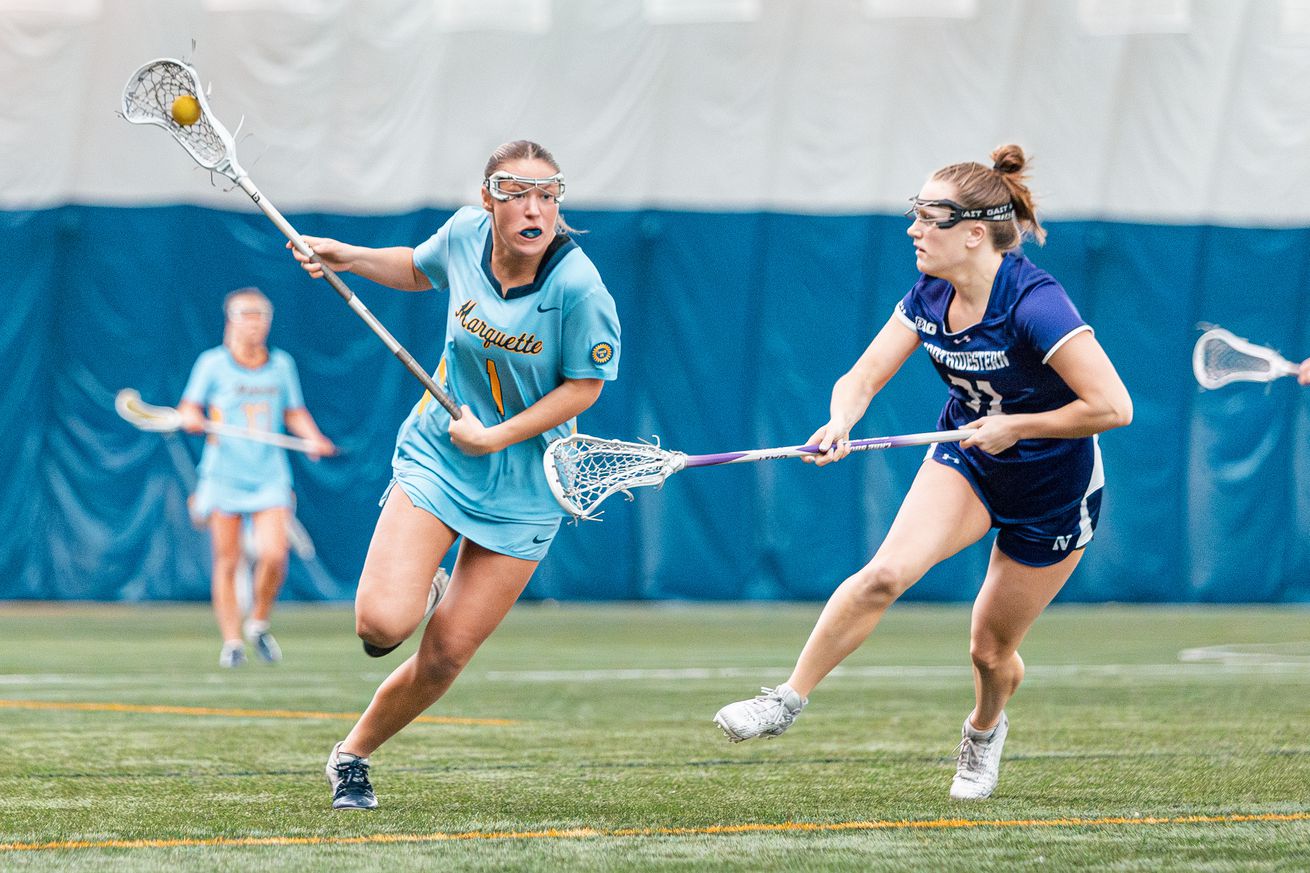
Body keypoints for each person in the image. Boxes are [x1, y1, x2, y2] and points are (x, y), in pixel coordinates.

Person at [713, 145, 1132, 801]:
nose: (913, 228)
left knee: (990, 652)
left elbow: (1113, 406)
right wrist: (840, 421)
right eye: (915, 212)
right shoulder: (929, 294)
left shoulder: (1035, 304)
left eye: (927, 216)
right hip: (970, 459)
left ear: (973, 233)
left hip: (1053, 489)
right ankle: (787, 699)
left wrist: (1019, 424)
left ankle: (984, 731)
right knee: (883, 573)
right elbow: (863, 375)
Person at [289, 140, 621, 811]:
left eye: (548, 196)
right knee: (381, 626)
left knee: (443, 655)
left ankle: (352, 754)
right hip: (441, 456)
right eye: (518, 194)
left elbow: (584, 387)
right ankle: (424, 582)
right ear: (488, 200)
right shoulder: (464, 237)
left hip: (528, 484)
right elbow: (417, 268)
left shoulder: (579, 287)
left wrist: (497, 433)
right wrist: (344, 255)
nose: (535, 209)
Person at [179, 287, 336, 668]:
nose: (254, 323)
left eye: (260, 315)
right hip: (224, 475)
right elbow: (189, 408)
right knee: (227, 560)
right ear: (230, 320)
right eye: (246, 314)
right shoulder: (212, 364)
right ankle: (232, 642)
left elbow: (293, 411)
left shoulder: (280, 365)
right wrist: (192, 419)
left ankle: (258, 622)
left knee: (274, 554)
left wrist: (312, 437)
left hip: (268, 474)